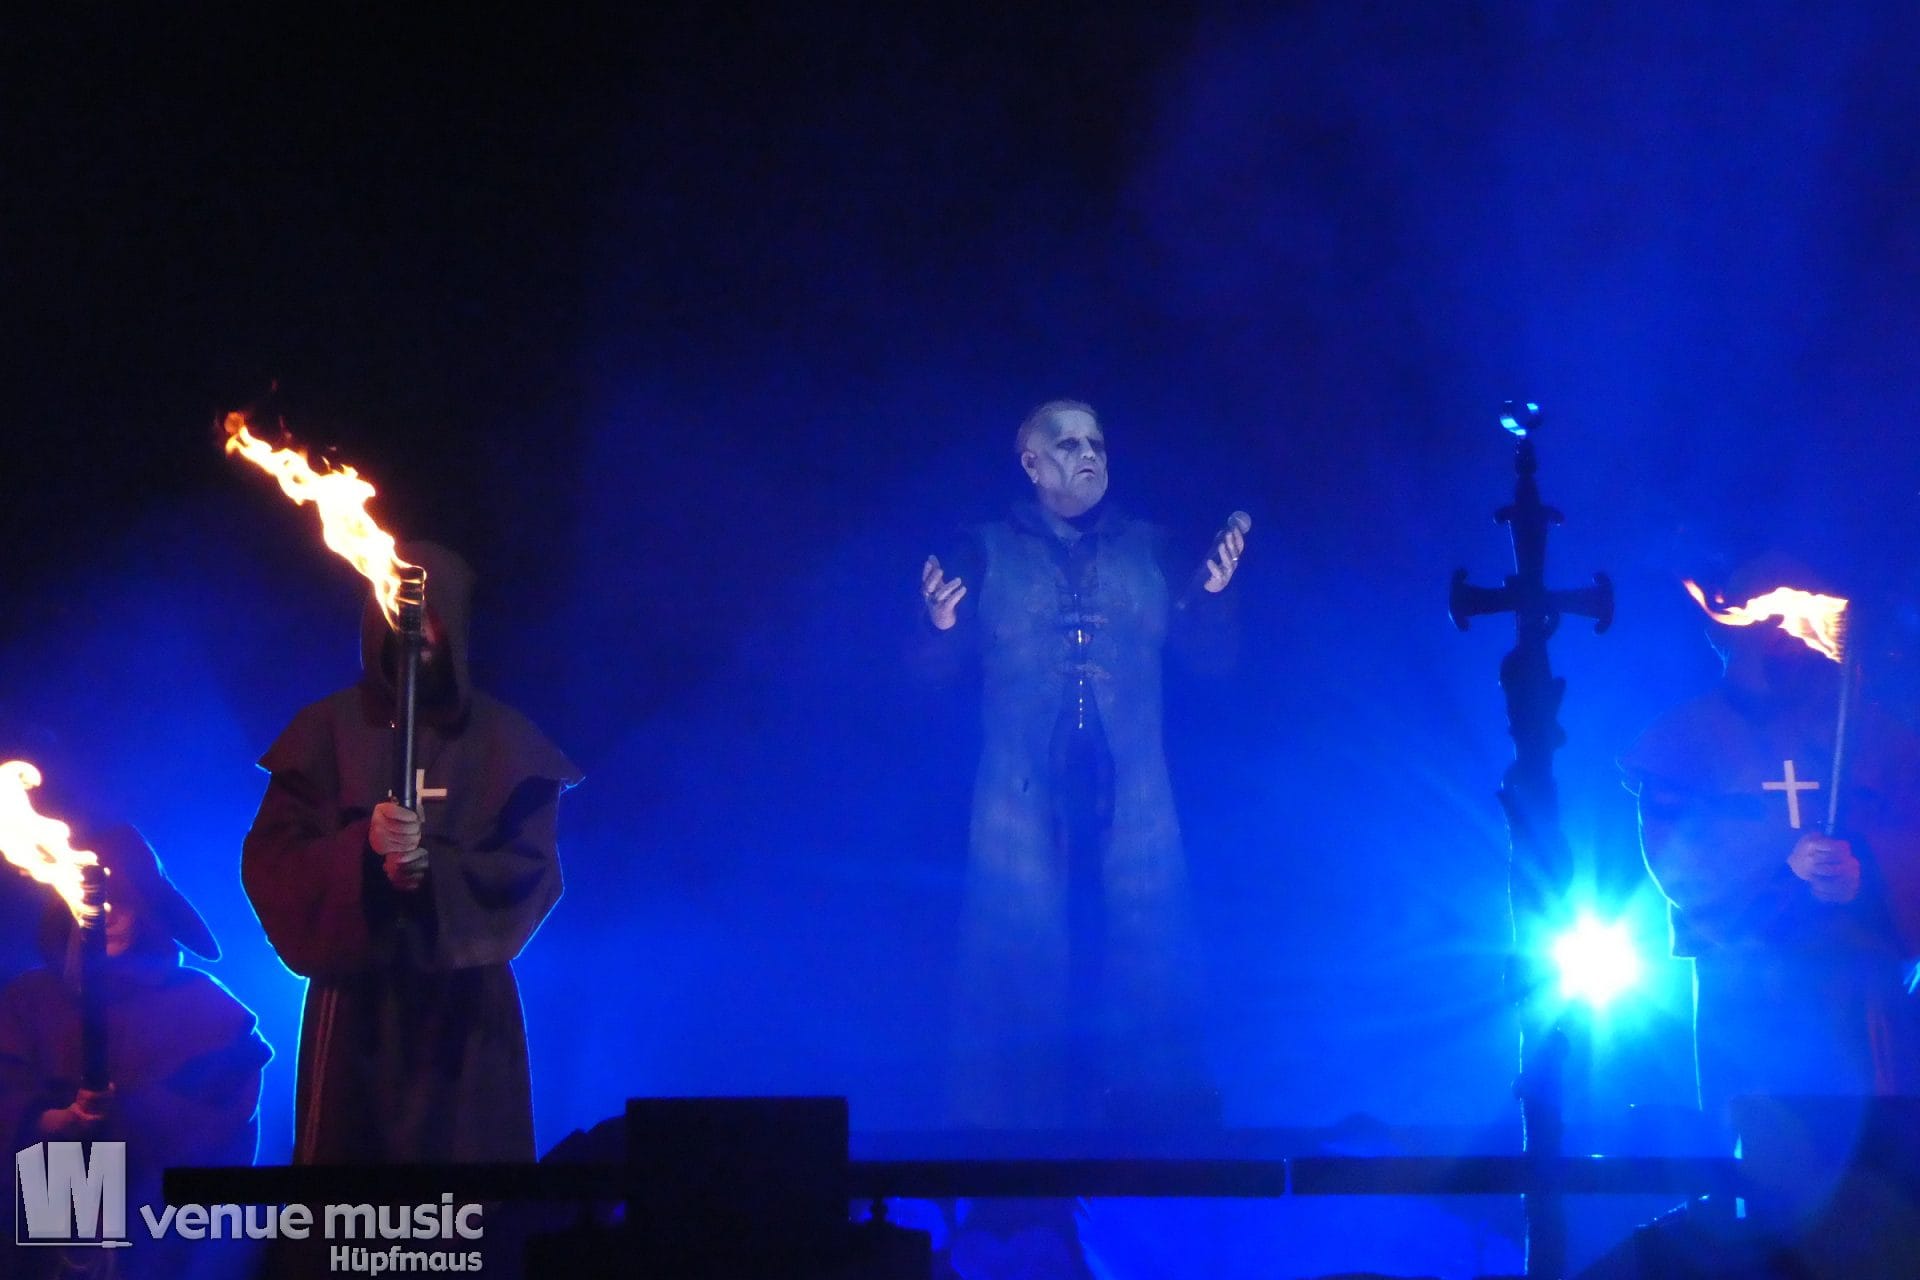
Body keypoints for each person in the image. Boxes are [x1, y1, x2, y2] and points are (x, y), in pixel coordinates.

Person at [917, 399, 1245, 1129]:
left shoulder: (1152, 549)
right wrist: (938, 626)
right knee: (1013, 956)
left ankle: (1162, 1141)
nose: (1088, 453)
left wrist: (1214, 600)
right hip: (1018, 797)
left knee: (1150, 951)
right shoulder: (984, 549)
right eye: (1067, 444)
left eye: (1096, 441)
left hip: (1135, 795)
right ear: (1031, 463)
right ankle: (1006, 1149)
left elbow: (1213, 664)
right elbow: (927, 673)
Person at [241, 542, 581, 1164]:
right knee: (351, 1188)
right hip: (356, 1002)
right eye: (400, 608)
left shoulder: (503, 739)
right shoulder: (325, 730)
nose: (417, 626)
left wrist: (435, 875)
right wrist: (360, 855)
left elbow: (529, 871)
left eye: (432, 611)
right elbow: (275, 861)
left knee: (471, 1184)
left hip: (466, 1006)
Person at [1621, 559, 1920, 1144]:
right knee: (1766, 1155)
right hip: (1753, 992)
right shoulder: (1685, 740)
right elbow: (1680, 868)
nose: (1782, 631)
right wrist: (1784, 872)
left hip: (1860, 990)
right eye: (1765, 617)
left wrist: (1864, 874)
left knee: (1879, 1163)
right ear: (1726, 629)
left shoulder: (1870, 732)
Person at [0, 823, 270, 1280]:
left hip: (163, 1236)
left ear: (148, 907)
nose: (109, 914)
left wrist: (127, 1122)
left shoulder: (203, 1007)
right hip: (40, 1237)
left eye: (124, 899)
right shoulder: (30, 1002)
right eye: (96, 900)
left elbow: (222, 1135)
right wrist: (59, 1122)